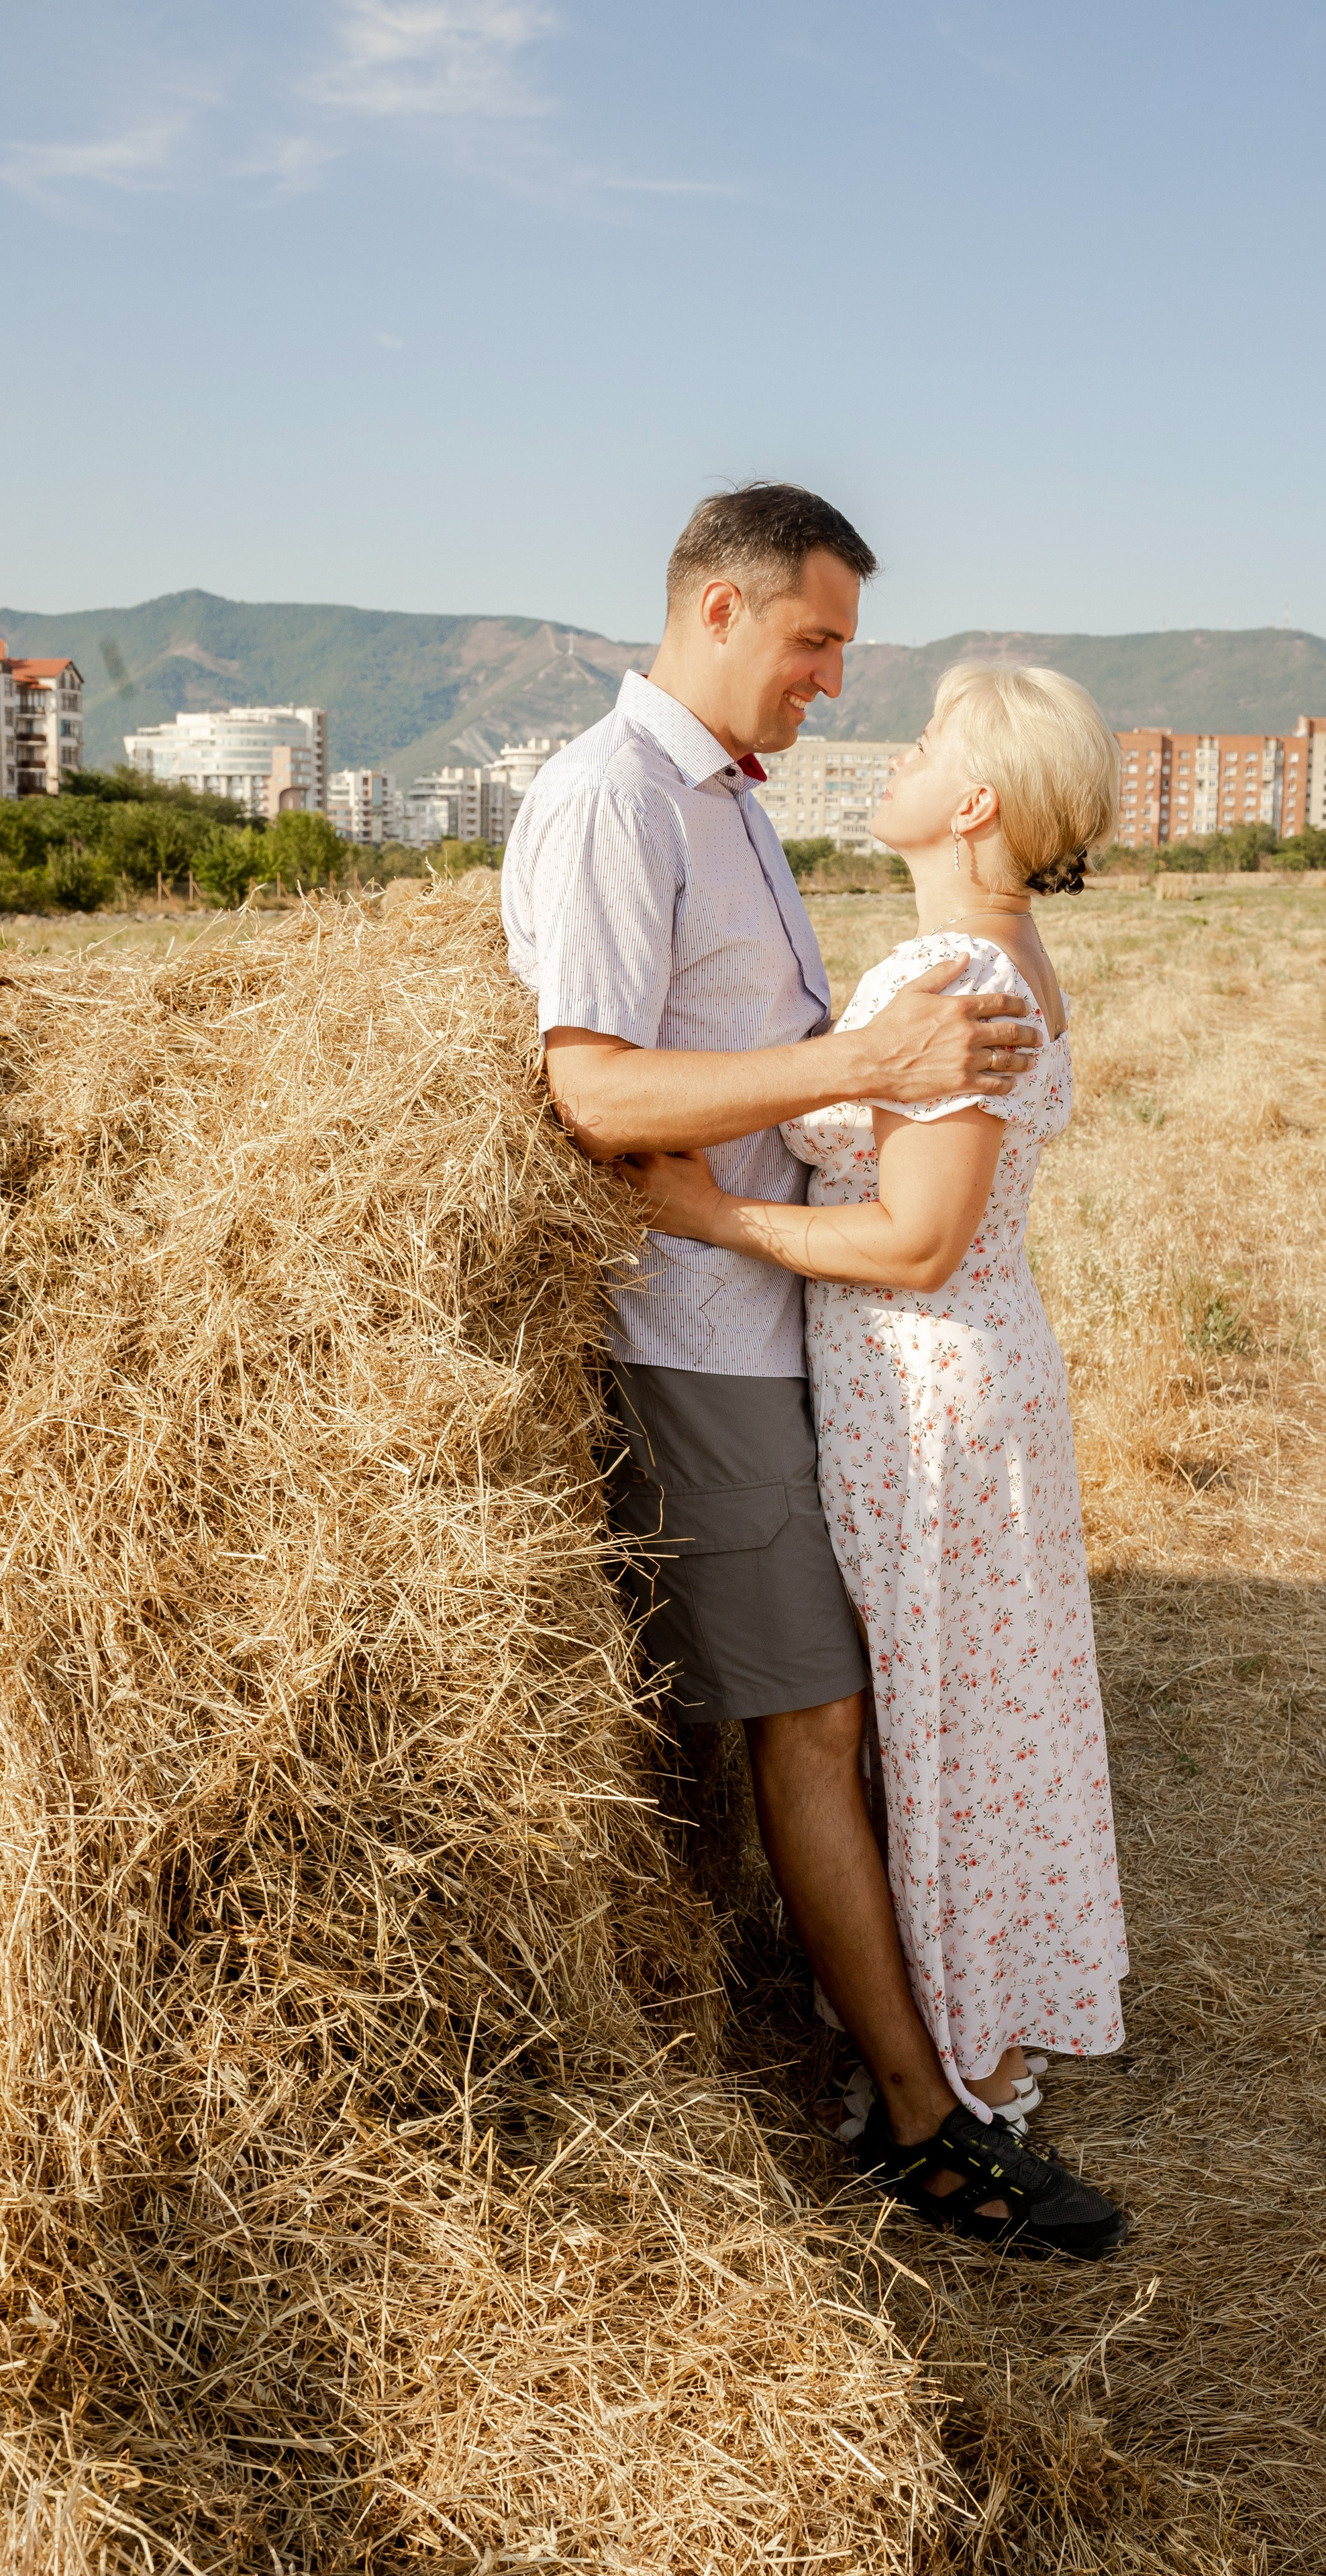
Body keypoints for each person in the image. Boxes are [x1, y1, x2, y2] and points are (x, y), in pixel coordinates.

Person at [503, 485, 1124, 2259]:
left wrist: (859, 1071)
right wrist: (856, 1062)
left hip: (790, 1326)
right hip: (703, 1340)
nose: (835, 687)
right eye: (816, 644)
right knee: (823, 1718)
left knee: (861, 1716)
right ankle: (927, 2124)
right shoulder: (617, 802)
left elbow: (843, 1094)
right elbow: (597, 1093)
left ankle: (936, 2050)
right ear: (718, 613)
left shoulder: (735, 811)